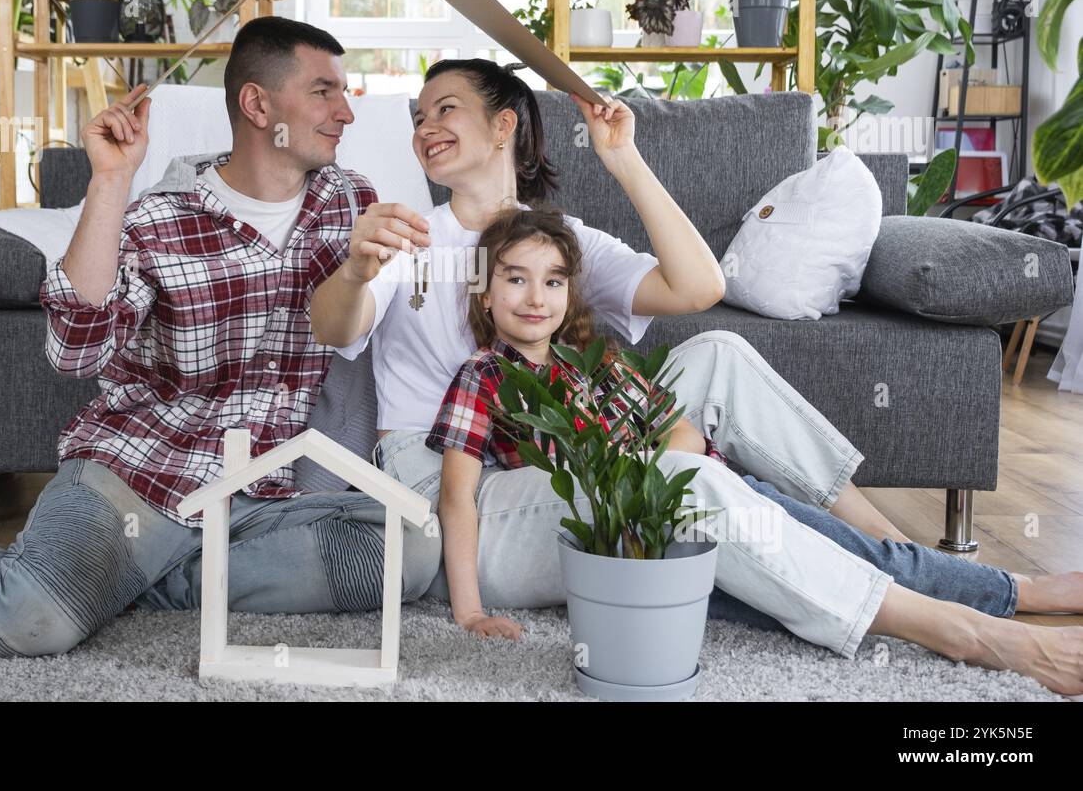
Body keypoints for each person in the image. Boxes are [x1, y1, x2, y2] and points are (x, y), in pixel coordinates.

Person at [310, 58, 1083, 695]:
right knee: (686, 481)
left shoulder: (561, 242)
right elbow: (333, 327)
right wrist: (356, 265)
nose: (423, 129)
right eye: (416, 116)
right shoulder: (407, 234)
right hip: (454, 487)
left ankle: (897, 554)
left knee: (719, 353)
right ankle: (966, 626)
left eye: (443, 109)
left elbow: (696, 289)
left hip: (553, 463)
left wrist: (625, 159)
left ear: (504, 123)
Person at [0, 17, 442, 656]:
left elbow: (349, 325)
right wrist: (109, 182)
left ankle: (129, 582)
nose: (347, 113)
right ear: (257, 104)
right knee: (29, 622)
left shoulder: (350, 201)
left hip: (257, 499)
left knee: (408, 550)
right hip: (141, 477)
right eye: (325, 91)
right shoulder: (158, 216)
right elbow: (75, 352)